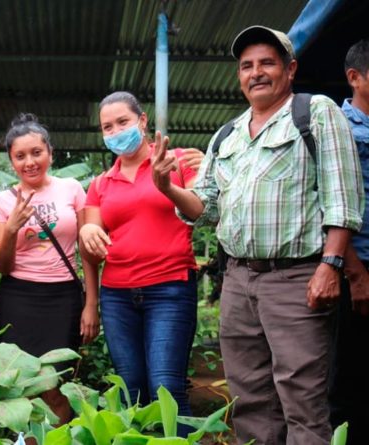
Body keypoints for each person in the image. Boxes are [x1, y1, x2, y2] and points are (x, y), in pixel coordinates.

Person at [152, 26, 363, 444]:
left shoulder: (315, 112)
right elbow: (206, 206)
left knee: (302, 398)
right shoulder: (227, 135)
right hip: (239, 281)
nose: (256, 73)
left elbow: (343, 196)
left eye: (267, 62)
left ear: (290, 69)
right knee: (249, 398)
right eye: (247, 66)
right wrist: (167, 188)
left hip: (296, 278)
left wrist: (331, 265)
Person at [79, 92, 201, 421]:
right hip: (117, 295)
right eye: (108, 127)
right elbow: (91, 238)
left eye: (123, 122)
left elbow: (200, 209)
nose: (116, 131)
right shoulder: (100, 184)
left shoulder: (175, 161)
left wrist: (167, 186)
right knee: (130, 389)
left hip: (170, 289)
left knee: (166, 386)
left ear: (142, 121)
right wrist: (87, 232)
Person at [0, 113, 99, 424]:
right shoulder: (1, 201)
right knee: (21, 386)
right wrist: (10, 229)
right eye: (20, 156)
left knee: (56, 385)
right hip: (18, 298)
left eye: (36, 152)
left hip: (63, 297)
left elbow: (88, 252)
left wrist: (91, 304)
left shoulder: (72, 189)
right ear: (11, 161)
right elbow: (2, 265)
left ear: (50, 152)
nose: (29, 162)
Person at [329, 39, 369, 444]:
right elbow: (334, 204)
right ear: (354, 78)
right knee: (348, 373)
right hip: (354, 265)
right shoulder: (338, 129)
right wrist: (355, 272)